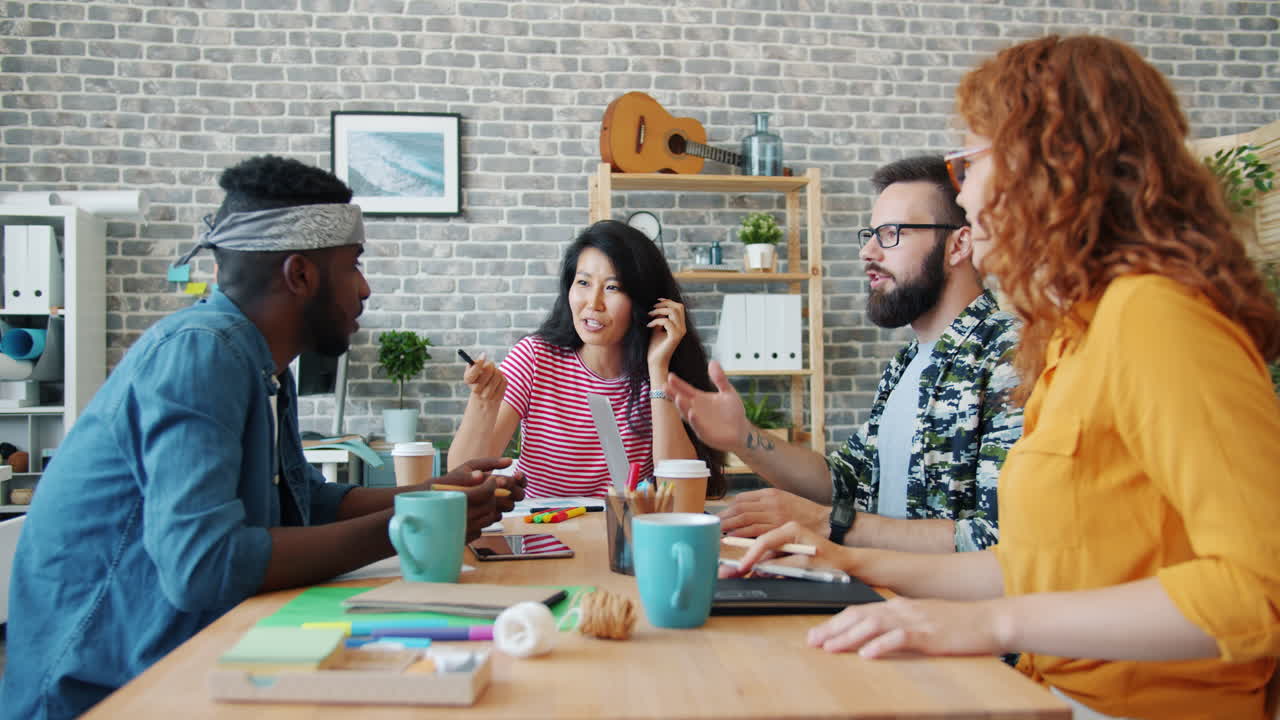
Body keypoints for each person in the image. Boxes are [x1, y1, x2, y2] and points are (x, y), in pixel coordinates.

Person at [731, 35, 1280, 720]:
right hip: (1055, 694)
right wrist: (845, 559)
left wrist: (990, 624)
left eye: (969, 163)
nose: (966, 194)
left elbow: (1259, 591)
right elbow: (1032, 567)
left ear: (1049, 166)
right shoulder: (1069, 337)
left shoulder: (1155, 318)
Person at [0, 155, 525, 720]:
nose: (365, 288)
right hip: (106, 694)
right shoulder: (201, 353)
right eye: (353, 264)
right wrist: (418, 526)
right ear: (300, 275)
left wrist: (434, 495)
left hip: (188, 664)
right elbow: (204, 566)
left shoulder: (261, 364)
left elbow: (305, 501)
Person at [669, 155, 1022, 553]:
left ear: (958, 244)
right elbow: (843, 483)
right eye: (870, 235)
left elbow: (1000, 542)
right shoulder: (906, 364)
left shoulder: (1009, 355)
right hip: (876, 589)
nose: (867, 252)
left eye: (891, 234)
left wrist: (827, 523)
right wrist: (743, 436)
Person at [448, 219, 724, 499]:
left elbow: (680, 497)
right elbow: (463, 478)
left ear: (645, 300)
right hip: (545, 526)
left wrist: (658, 369)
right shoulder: (534, 358)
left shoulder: (658, 374)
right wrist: (482, 401)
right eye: (583, 283)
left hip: (625, 528)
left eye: (612, 288)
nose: (593, 303)